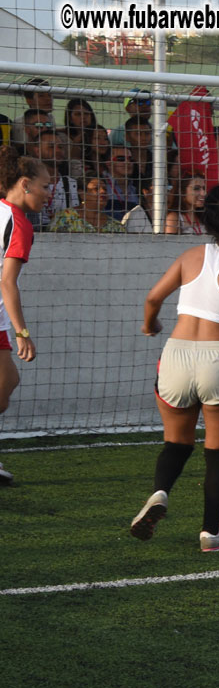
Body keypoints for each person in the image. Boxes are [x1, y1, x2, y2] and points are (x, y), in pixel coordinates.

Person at [131, 182, 219, 551]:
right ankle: (211, 533)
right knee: (217, 450)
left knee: (176, 443)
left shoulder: (191, 255)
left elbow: (152, 298)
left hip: (176, 354)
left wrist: (150, 325)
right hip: (218, 356)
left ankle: (160, 492)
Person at [0, 147, 50, 484]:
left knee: (8, 381)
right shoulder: (18, 223)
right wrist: (23, 332)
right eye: (45, 186)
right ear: (25, 184)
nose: (50, 194)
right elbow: (7, 281)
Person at [48, 176, 125, 233]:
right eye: (96, 189)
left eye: (105, 189)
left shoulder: (115, 226)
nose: (102, 192)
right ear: (82, 193)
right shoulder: (64, 219)